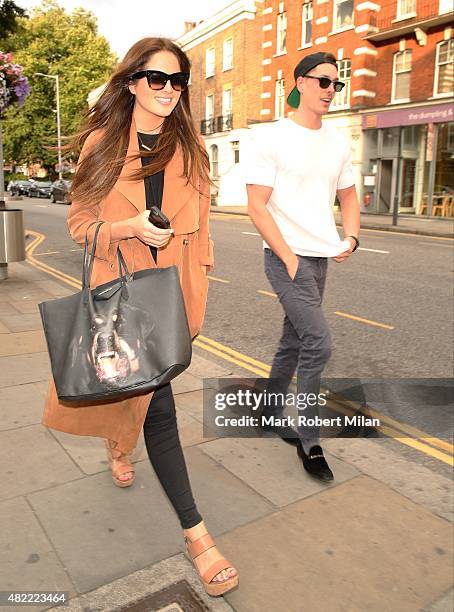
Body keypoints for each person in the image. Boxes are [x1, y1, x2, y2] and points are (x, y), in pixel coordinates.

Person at [41, 37, 238, 597]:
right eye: (158, 79)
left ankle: (118, 442)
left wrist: (198, 286)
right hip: (123, 295)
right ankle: (196, 534)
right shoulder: (102, 145)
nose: (169, 91)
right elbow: (80, 225)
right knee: (161, 408)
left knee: (141, 394)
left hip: (175, 297)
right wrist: (128, 229)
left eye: (179, 81)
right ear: (132, 83)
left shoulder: (192, 148)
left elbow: (202, 232)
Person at [244, 51, 360, 482]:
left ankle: (268, 410)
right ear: (301, 83)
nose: (332, 90)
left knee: (294, 340)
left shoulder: (337, 141)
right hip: (284, 256)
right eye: (324, 82)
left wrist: (351, 237)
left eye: (337, 84)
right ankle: (310, 442)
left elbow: (348, 195)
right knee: (318, 342)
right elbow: (257, 207)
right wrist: (289, 257)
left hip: (320, 255)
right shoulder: (271, 138)